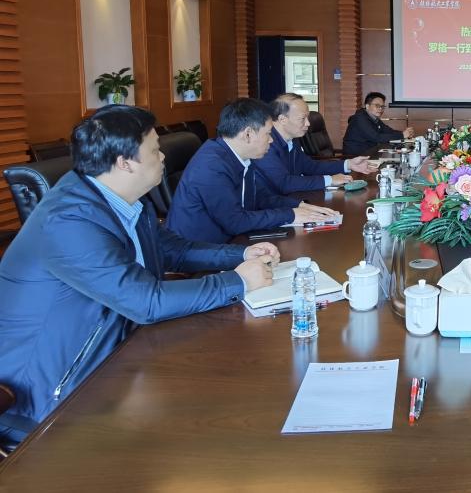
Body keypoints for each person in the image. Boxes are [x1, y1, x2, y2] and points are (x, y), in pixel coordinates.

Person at [0, 106, 278, 449]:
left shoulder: (122, 199)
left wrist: (241, 255)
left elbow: (173, 250)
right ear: (125, 162)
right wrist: (238, 281)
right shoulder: (67, 221)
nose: (163, 157)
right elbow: (144, 301)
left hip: (119, 356)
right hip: (52, 398)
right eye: (154, 150)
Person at [167, 99, 340, 244]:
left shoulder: (239, 156)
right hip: (202, 252)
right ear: (248, 134)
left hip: (232, 241)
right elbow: (236, 222)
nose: (271, 140)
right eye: (268, 134)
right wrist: (290, 215)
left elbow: (260, 197)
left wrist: (298, 206)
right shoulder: (212, 166)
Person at [254, 93, 376, 196]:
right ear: (282, 119)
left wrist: (348, 164)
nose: (308, 123)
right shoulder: (266, 144)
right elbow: (284, 183)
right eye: (302, 118)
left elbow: (310, 166)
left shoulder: (292, 139)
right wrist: (329, 180)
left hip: (292, 198)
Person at [342, 92, 414, 155]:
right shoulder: (360, 118)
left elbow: (388, 130)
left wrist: (404, 133)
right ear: (367, 106)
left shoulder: (373, 118)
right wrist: (402, 135)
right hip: (355, 157)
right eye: (377, 106)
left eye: (382, 107)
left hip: (369, 153)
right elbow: (376, 137)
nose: (380, 109)